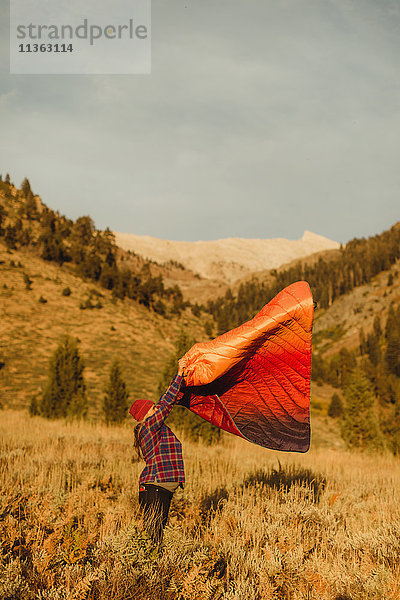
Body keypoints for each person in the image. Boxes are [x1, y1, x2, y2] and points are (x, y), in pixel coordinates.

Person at [129, 364, 186, 545]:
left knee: (154, 533)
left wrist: (179, 380)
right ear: (145, 414)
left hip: (157, 487)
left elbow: (164, 401)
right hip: (155, 486)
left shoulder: (150, 428)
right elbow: (166, 403)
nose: (156, 409)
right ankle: (150, 569)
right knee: (153, 536)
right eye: (152, 408)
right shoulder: (149, 426)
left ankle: (150, 566)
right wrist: (178, 375)